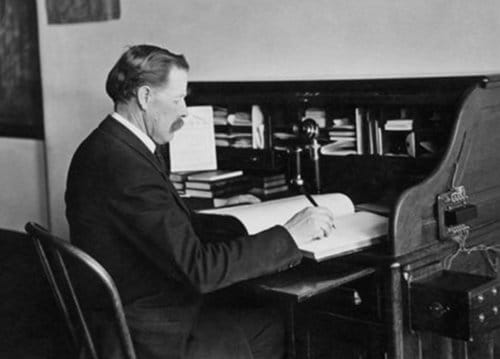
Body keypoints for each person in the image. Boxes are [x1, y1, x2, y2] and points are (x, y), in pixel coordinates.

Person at [65, 44, 335, 359]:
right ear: (145, 97)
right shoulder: (123, 163)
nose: (184, 110)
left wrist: (225, 210)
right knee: (275, 320)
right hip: (149, 336)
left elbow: (158, 227)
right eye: (178, 98)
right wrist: (290, 235)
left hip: (136, 313)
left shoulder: (113, 145)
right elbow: (199, 270)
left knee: (255, 307)